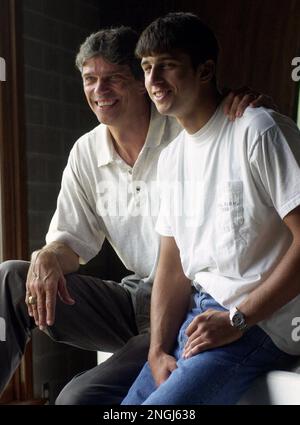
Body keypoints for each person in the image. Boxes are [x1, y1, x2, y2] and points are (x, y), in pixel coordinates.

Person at [0, 25, 274, 405]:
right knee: (12, 277)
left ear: (142, 82)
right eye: (90, 80)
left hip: (188, 302)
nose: (99, 91)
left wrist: (238, 97)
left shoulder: (184, 128)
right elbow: (71, 245)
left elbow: (215, 115)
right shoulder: (86, 152)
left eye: (113, 78)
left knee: (77, 398)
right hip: (135, 297)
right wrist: (48, 254)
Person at [121, 12, 300, 405]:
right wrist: (156, 349)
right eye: (147, 68)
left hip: (263, 324)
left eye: (166, 65)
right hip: (200, 318)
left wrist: (238, 320)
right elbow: (171, 263)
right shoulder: (171, 159)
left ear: (205, 71)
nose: (152, 81)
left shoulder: (259, 131)